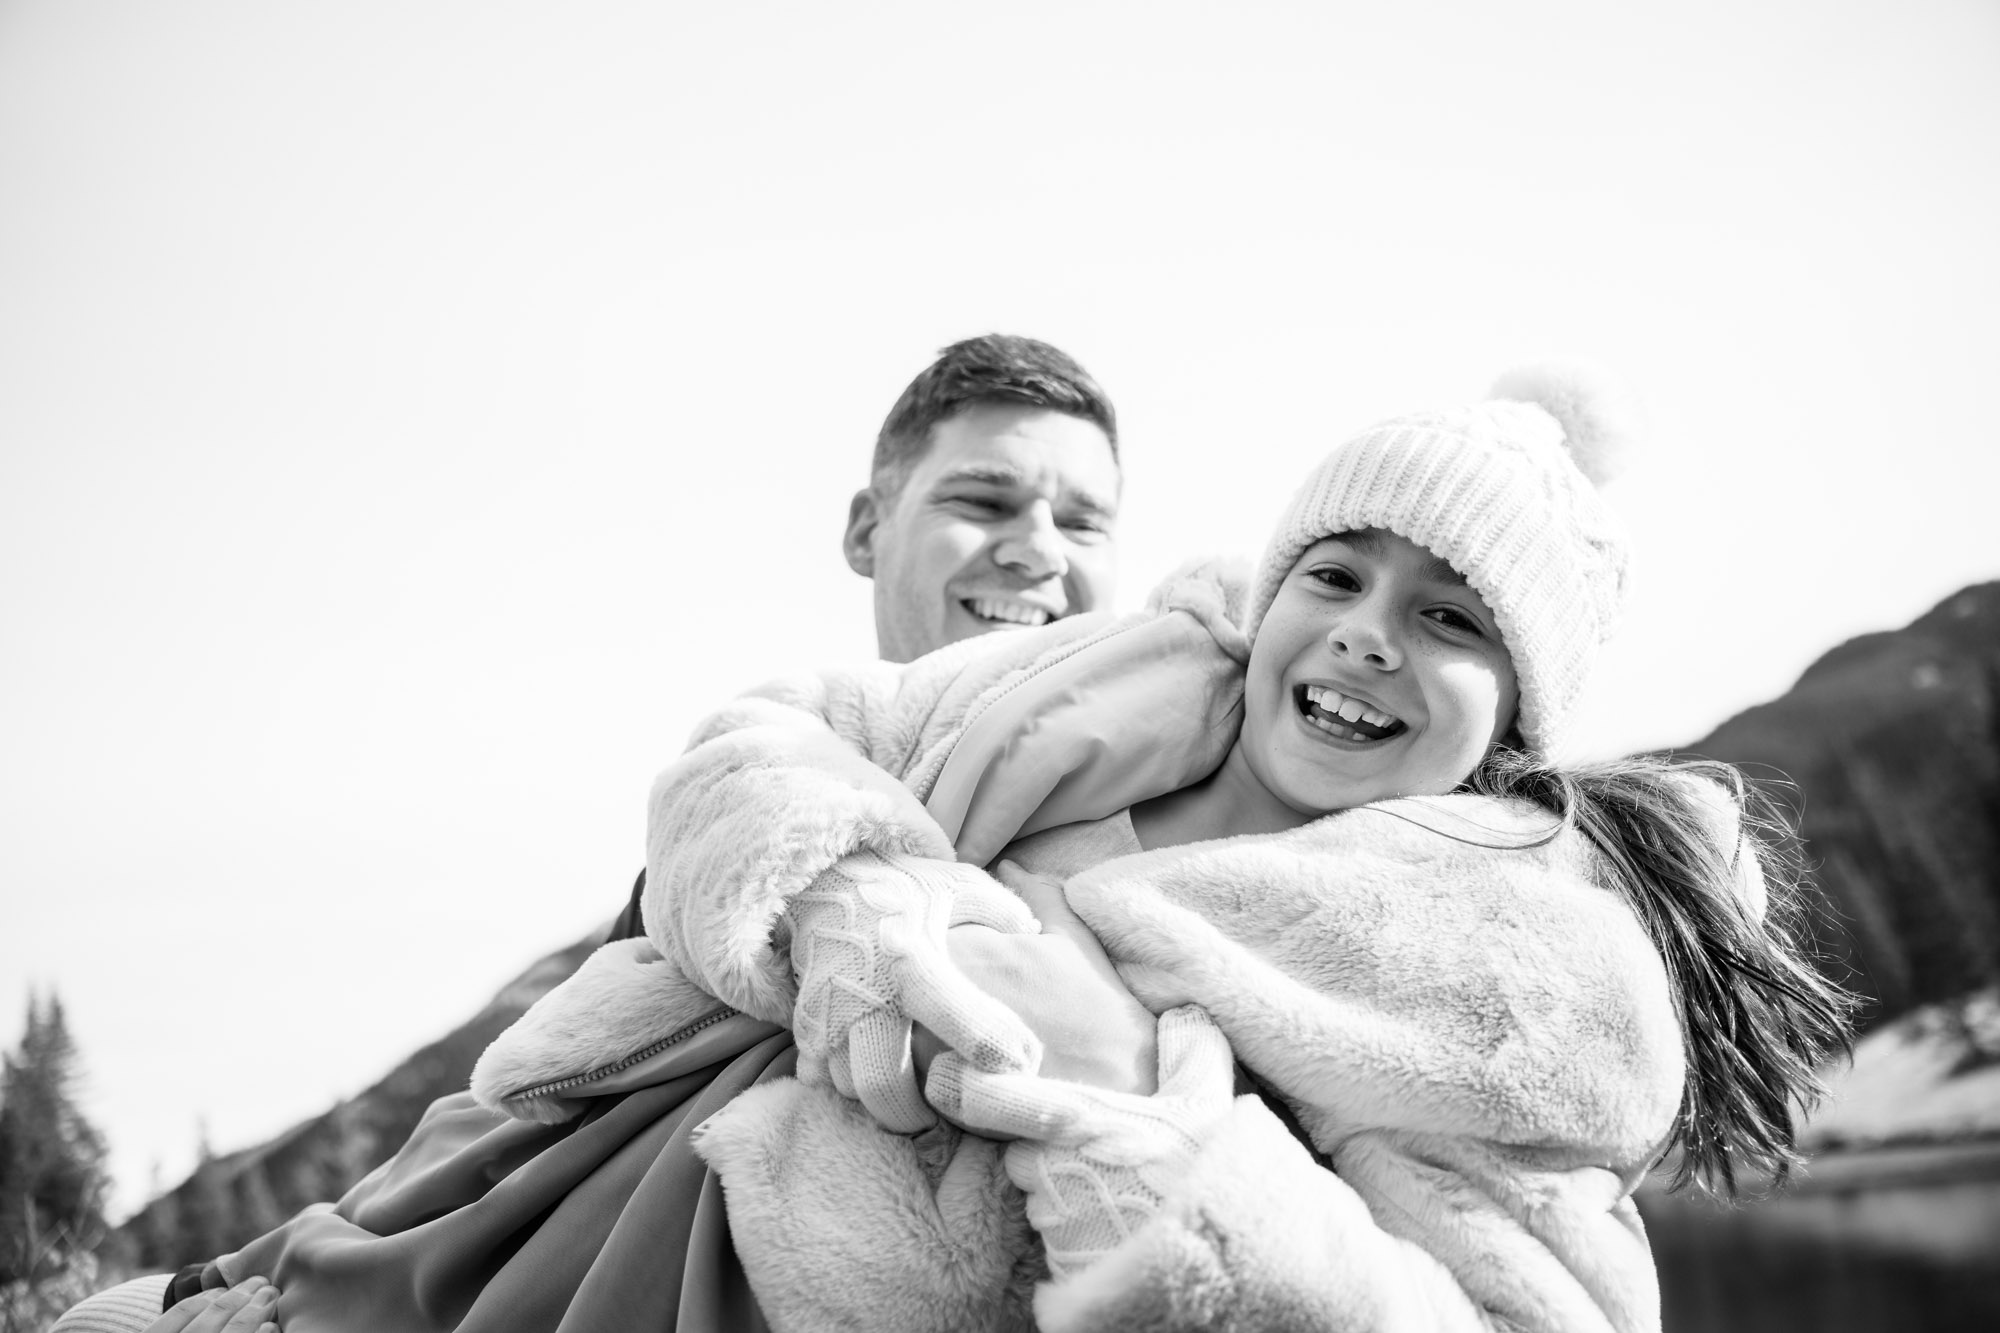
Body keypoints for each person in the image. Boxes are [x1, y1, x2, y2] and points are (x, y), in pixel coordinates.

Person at [470, 365, 1852, 1331]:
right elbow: (762, 740)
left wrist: (1135, 1111)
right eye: (1336, 574)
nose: (1369, 629)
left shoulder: (1494, 975)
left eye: (1451, 618)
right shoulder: (1101, 688)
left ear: (1518, 717)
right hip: (545, 1222)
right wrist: (848, 893)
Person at [52, 331, 1126, 1333]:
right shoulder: (744, 814)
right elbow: (517, 1134)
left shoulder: (1141, 832)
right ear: (864, 528)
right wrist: (252, 1284)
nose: (1034, 550)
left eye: (1081, 521)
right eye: (984, 498)